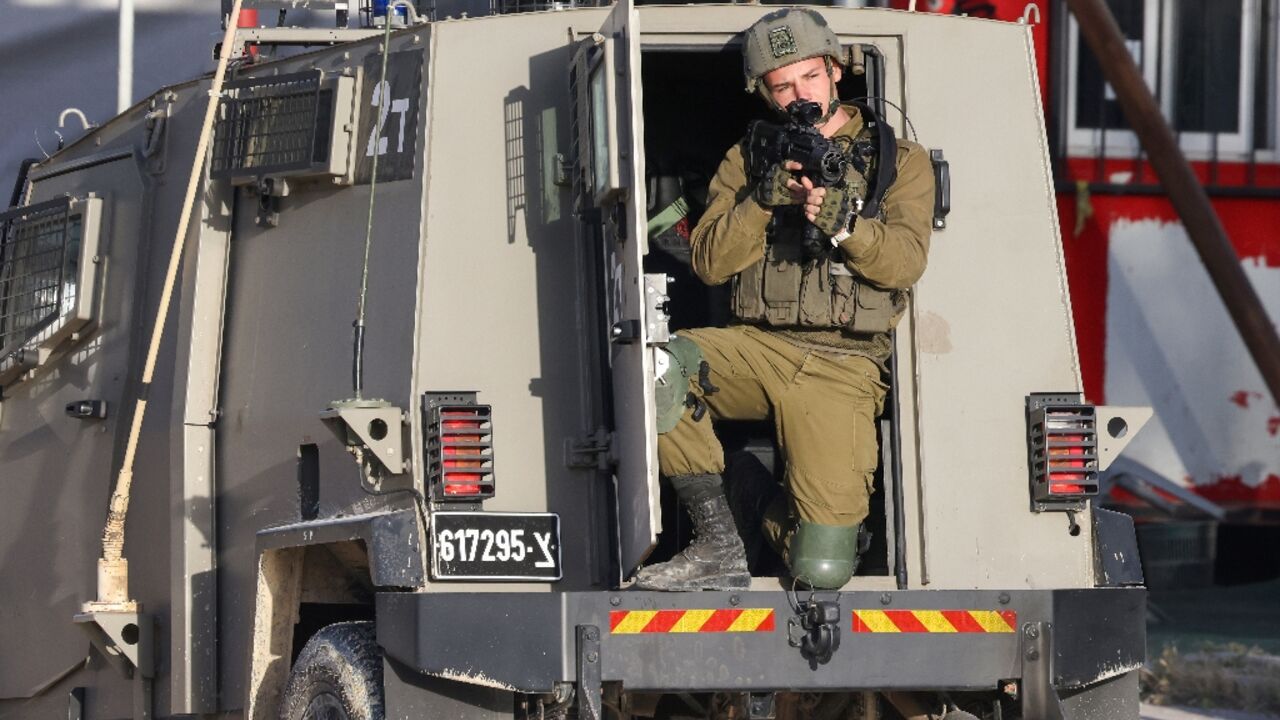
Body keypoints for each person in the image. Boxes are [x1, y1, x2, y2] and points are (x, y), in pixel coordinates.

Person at [636, 7, 935, 591]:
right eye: (782, 86)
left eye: (809, 78)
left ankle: (742, 484)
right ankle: (717, 544)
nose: (800, 94)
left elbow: (906, 262)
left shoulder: (899, 162)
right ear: (767, 96)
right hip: (758, 347)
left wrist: (845, 226)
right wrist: (761, 201)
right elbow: (709, 263)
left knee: (821, 568)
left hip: (843, 364)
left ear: (834, 72)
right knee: (656, 363)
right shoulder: (747, 159)